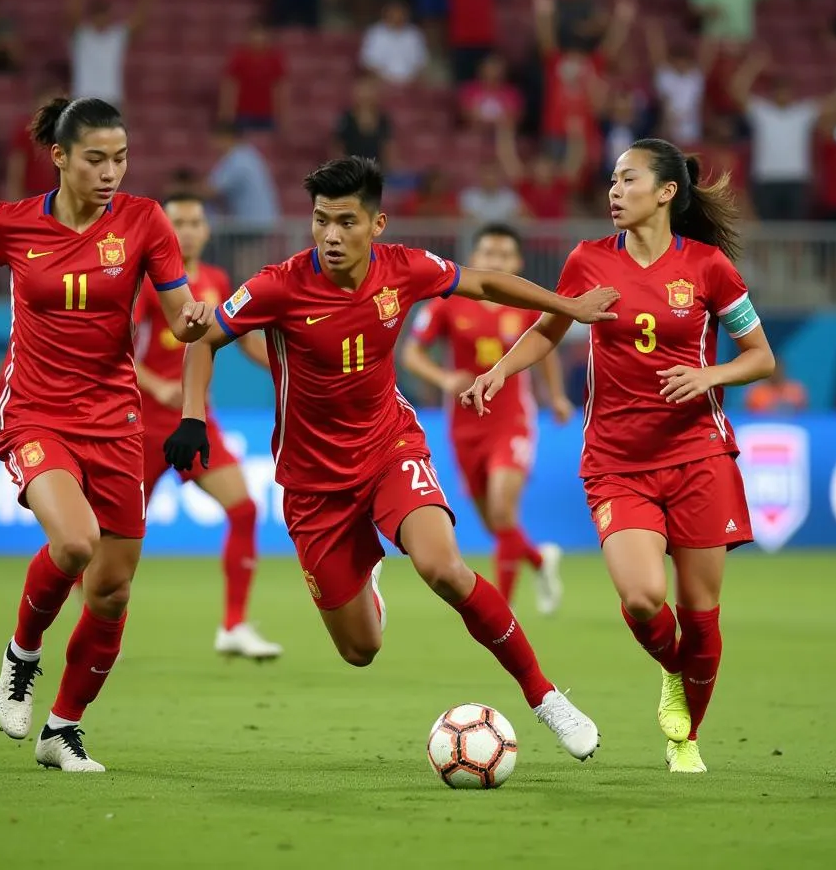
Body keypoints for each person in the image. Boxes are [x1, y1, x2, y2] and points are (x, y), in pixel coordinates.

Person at [165, 156, 621, 761]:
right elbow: (206, 340)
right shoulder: (278, 285)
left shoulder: (404, 269)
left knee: (445, 569)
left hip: (389, 446)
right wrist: (192, 416)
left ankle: (545, 698)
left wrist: (569, 307)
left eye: (346, 222)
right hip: (313, 483)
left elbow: (484, 282)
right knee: (361, 649)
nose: (330, 235)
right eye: (321, 220)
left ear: (376, 224)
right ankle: (368, 580)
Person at [462, 138, 776, 774]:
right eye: (611, 180)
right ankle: (676, 670)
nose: (613, 191)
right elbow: (548, 327)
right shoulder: (588, 261)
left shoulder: (711, 268)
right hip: (616, 459)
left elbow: (761, 356)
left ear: (665, 193)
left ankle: (685, 740)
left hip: (698, 454)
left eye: (627, 180)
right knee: (641, 597)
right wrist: (499, 372)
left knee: (701, 613)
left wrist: (709, 376)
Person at [0, 97, 212, 772]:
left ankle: (62, 729)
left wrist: (191, 323)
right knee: (74, 541)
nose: (110, 172)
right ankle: (22, 655)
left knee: (113, 589)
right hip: (34, 410)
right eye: (95, 158)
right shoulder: (8, 224)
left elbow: (179, 309)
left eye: (120, 158)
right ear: (60, 157)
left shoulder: (144, 220)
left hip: (116, 418)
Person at [134, 192, 282, 660]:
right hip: (137, 423)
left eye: (196, 220)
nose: (189, 229)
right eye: (178, 221)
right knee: (110, 532)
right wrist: (157, 387)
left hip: (195, 420)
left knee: (243, 509)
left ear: (208, 230)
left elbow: (244, 345)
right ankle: (93, 615)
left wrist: (287, 369)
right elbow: (114, 350)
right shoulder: (141, 283)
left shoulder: (217, 280)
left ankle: (234, 625)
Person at [402, 223, 572, 612]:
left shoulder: (527, 305)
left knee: (501, 510)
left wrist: (557, 397)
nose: (495, 261)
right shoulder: (446, 303)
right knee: (497, 525)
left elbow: (546, 349)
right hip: (464, 426)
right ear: (475, 259)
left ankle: (501, 613)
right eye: (488, 254)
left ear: (517, 261)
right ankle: (540, 560)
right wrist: (444, 378)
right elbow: (411, 354)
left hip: (511, 420)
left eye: (504, 255)